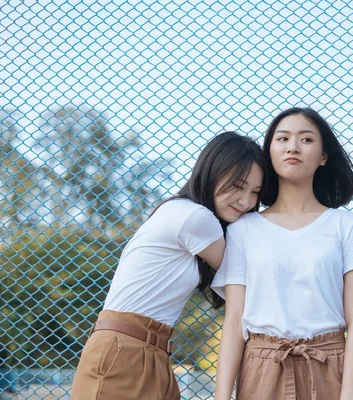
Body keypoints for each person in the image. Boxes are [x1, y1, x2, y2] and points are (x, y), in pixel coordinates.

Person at [71, 131, 268, 400]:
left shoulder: (184, 213)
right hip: (125, 351)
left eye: (254, 192)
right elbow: (250, 281)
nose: (246, 202)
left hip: (152, 351)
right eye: (237, 185)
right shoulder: (194, 217)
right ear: (212, 172)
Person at [212, 108, 353, 400]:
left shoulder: (346, 225)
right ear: (270, 151)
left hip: (330, 365)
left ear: (323, 156)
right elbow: (234, 320)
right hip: (261, 368)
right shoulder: (243, 229)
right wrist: (221, 395)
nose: (293, 146)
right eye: (283, 138)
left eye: (306, 139)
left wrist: (352, 391)